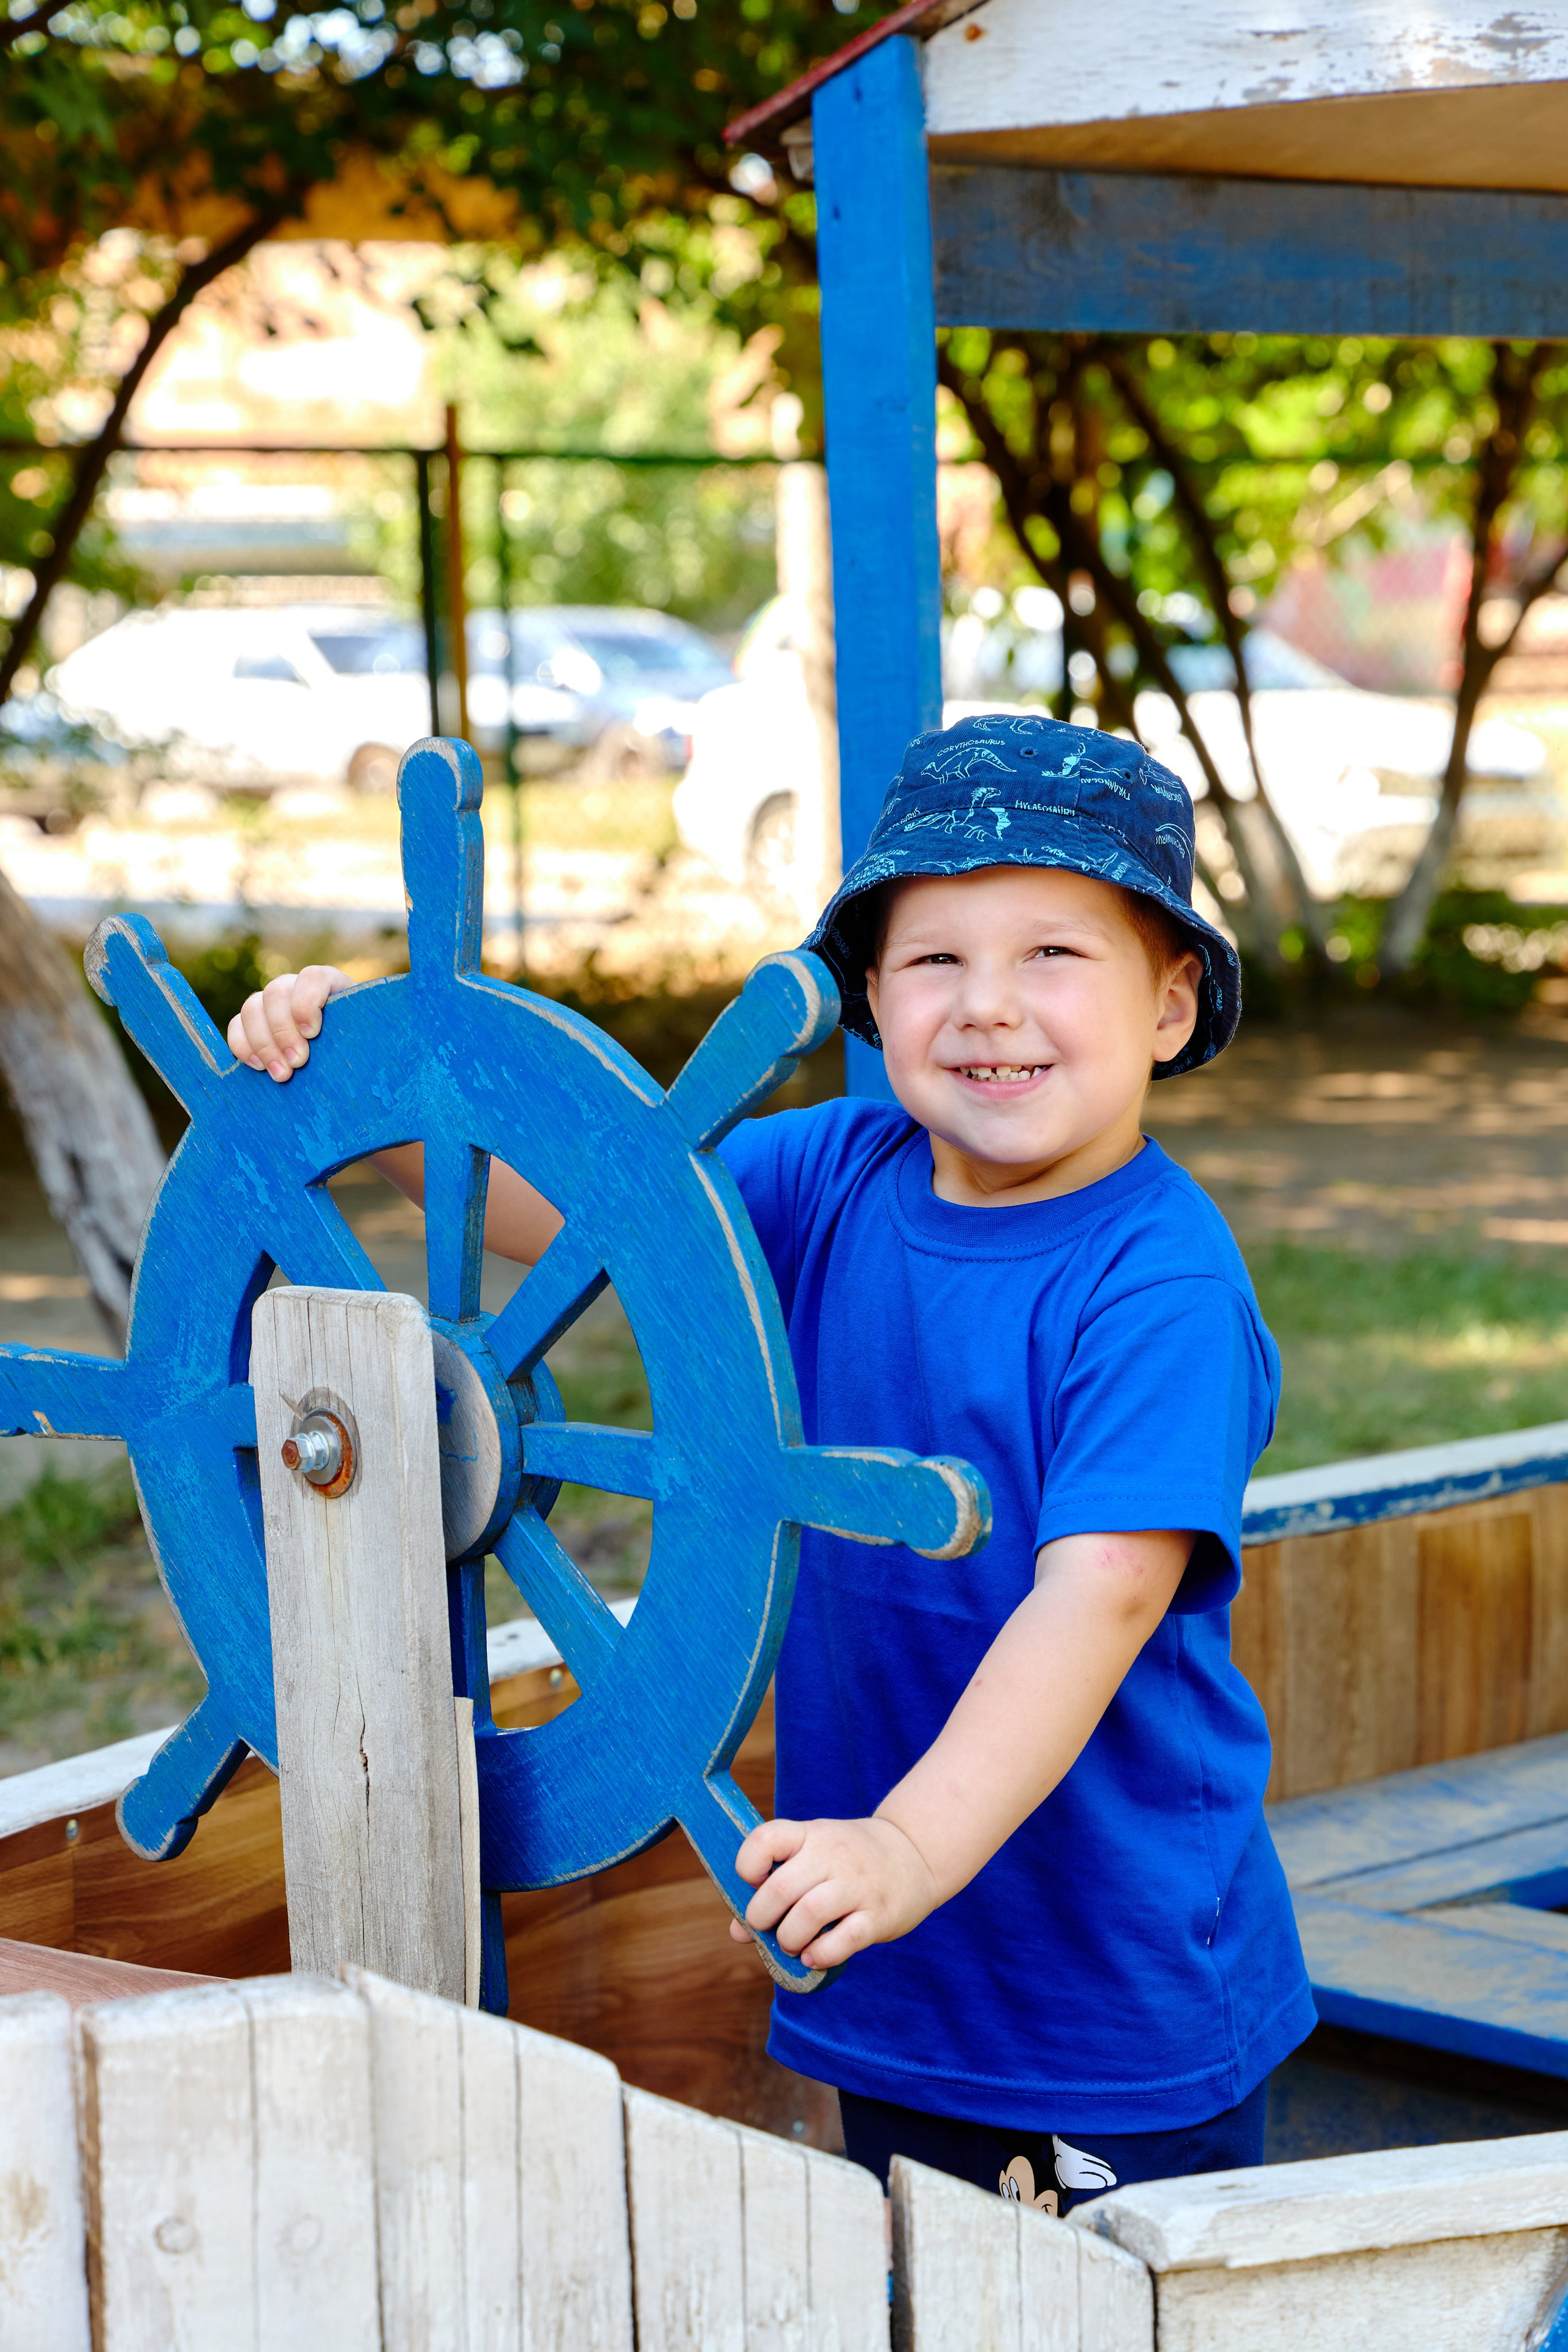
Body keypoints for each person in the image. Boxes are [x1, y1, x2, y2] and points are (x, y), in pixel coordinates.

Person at [229, 712, 1313, 2216]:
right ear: (871, 995)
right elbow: (603, 1220)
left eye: (1054, 956)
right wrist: (377, 1082)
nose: (988, 1008)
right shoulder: (830, 1176)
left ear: (1169, 1005)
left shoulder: (1156, 1289)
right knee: (928, 2294)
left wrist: (906, 1844)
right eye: (935, 960)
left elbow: (1099, 1604)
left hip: (1098, 1989)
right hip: (886, 1946)